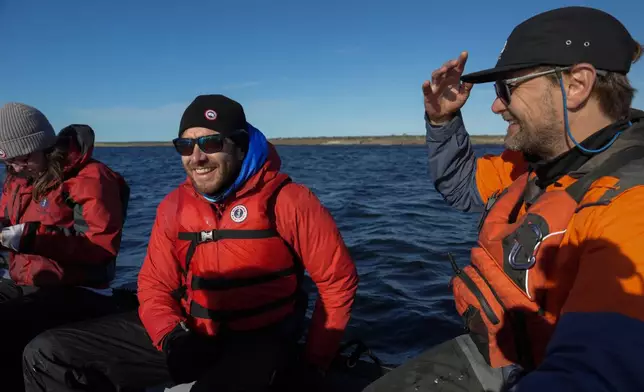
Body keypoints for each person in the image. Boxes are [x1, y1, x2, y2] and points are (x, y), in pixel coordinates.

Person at [22, 94, 359, 392]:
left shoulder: (289, 200)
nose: (196, 157)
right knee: (48, 353)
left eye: (210, 144)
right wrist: (171, 336)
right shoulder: (173, 206)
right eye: (185, 146)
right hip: (190, 333)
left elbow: (337, 281)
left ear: (239, 146)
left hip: (260, 339)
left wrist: (314, 362)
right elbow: (154, 285)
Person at [422, 5, 644, 392]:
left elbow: (599, 371)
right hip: (504, 354)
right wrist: (442, 121)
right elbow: (461, 186)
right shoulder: (532, 163)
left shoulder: (630, 203)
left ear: (577, 85)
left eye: (508, 88)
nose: (495, 106)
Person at [0, 103, 131, 390]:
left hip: (79, 290)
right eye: (8, 163)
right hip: (25, 279)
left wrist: (31, 237)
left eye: (23, 158)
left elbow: (100, 247)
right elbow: (7, 221)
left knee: (7, 326)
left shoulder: (91, 178)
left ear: (44, 145)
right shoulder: (19, 177)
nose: (17, 168)